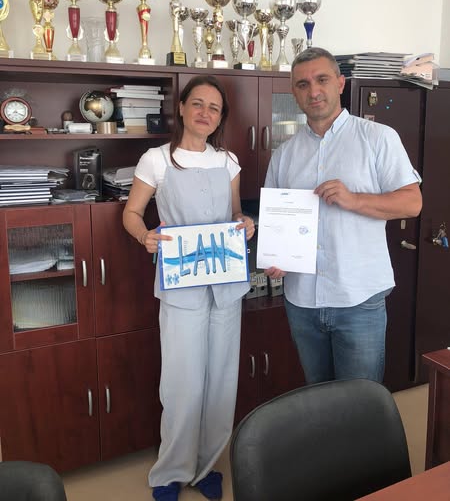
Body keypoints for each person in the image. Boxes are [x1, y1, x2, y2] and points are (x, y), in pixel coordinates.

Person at [123, 74, 255, 501]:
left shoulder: (228, 162)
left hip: (226, 286)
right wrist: (144, 235)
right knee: (183, 383)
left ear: (220, 117)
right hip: (181, 288)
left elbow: (235, 215)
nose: (205, 113)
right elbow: (131, 213)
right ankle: (171, 471)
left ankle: (205, 466)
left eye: (214, 108)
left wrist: (246, 224)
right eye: (197, 103)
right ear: (181, 108)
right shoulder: (157, 160)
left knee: (221, 382)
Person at [264, 47, 422, 385]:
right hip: (302, 301)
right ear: (294, 93)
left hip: (358, 300)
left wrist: (353, 200)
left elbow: (412, 203)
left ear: (340, 83)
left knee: (360, 402)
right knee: (320, 398)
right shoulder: (284, 154)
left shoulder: (378, 138)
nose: (313, 91)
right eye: (303, 84)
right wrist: (277, 257)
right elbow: (278, 220)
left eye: (321, 80)